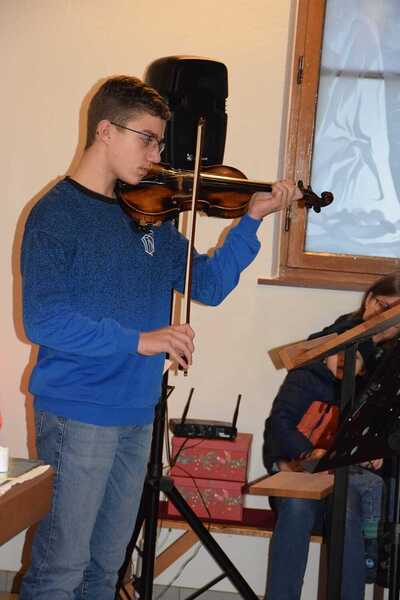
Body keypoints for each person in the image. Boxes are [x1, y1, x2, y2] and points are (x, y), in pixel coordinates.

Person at [19, 75, 302, 600]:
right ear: (106, 130)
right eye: (147, 139)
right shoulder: (55, 214)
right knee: (61, 568)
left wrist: (251, 221)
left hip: (136, 412)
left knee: (107, 568)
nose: (156, 156)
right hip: (78, 412)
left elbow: (209, 286)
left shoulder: (152, 216)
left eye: (159, 142)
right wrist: (140, 340)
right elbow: (44, 320)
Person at [263, 272, 400, 600]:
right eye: (386, 309)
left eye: (397, 318)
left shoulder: (387, 371)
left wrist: (377, 453)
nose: (389, 323)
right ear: (370, 300)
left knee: (346, 510)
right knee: (297, 506)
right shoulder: (314, 363)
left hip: (351, 484)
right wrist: (310, 455)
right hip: (301, 477)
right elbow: (280, 425)